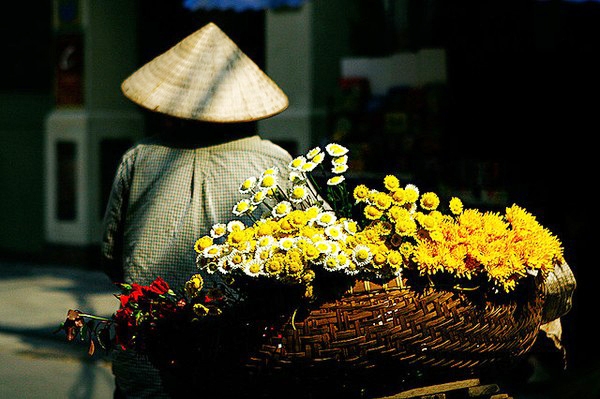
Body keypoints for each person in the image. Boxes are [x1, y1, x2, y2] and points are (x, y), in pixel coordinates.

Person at [100, 22, 294, 398]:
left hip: (147, 361)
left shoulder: (139, 159)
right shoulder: (277, 163)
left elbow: (111, 257)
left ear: (170, 109)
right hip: (245, 362)